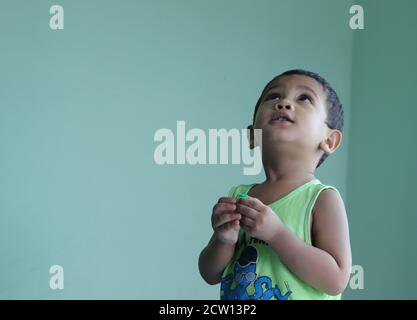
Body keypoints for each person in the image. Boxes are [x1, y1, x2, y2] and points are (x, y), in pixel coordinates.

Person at [198, 69, 352, 300]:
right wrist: (224, 240)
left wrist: (277, 234)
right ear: (252, 136)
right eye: (273, 96)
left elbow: (335, 280)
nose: (284, 103)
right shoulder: (240, 195)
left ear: (329, 140)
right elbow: (210, 274)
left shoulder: (322, 199)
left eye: (304, 98)